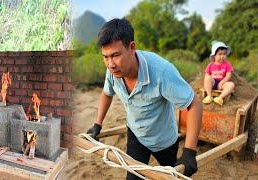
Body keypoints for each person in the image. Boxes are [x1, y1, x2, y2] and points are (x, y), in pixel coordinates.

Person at [86, 18, 202, 179]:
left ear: (131, 47)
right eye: (105, 57)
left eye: (115, 55)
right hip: (136, 134)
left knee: (172, 176)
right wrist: (97, 124)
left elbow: (194, 104)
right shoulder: (113, 71)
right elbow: (107, 93)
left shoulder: (161, 72)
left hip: (164, 139)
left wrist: (190, 151)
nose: (110, 63)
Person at [202, 40, 235, 106]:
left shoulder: (227, 64)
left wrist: (222, 82)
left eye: (224, 54)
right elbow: (207, 76)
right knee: (207, 79)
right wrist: (209, 80)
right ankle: (209, 96)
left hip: (222, 83)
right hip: (213, 82)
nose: (222, 56)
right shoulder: (210, 65)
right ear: (214, 56)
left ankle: (220, 98)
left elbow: (228, 75)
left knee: (231, 85)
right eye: (220, 54)